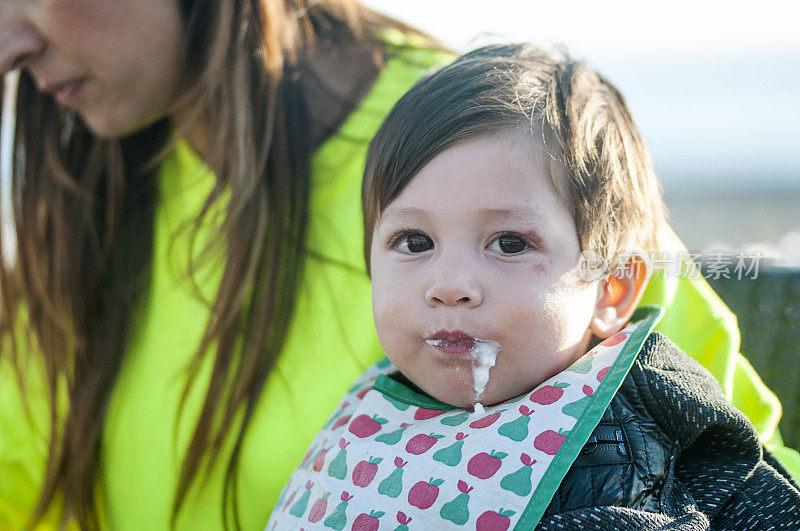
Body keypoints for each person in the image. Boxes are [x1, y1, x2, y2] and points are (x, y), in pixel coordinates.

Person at [0, 1, 796, 529]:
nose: (8, 42)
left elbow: (749, 478)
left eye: (508, 246)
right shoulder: (82, 199)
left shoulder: (501, 144)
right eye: (409, 244)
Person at [267, 44, 800, 529]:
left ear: (610, 287)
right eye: (413, 241)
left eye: (509, 244)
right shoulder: (378, 412)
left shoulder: (621, 461)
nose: (450, 286)